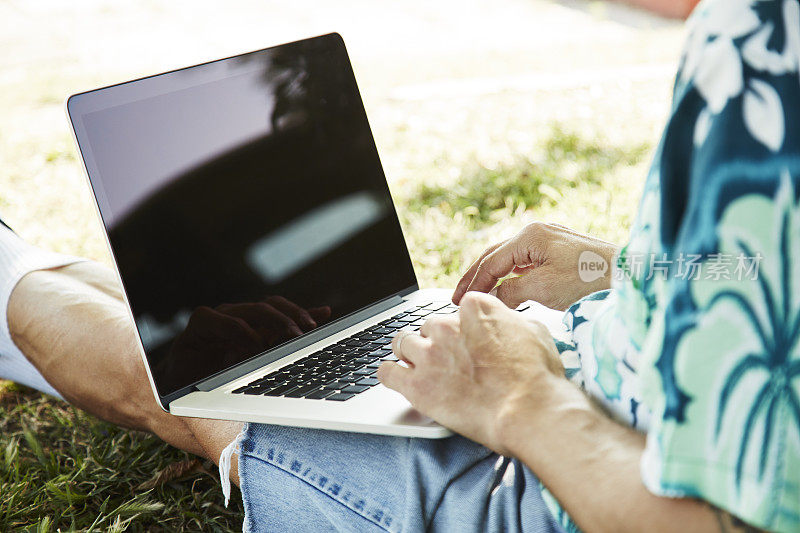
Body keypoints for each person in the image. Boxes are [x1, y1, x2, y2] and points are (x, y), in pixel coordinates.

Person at [2, 0, 798, 531]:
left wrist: (525, 402)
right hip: (597, 368)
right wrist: (611, 267)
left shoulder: (757, 48)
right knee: (256, 346)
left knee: (209, 397)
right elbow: (774, 279)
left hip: (537, 488)